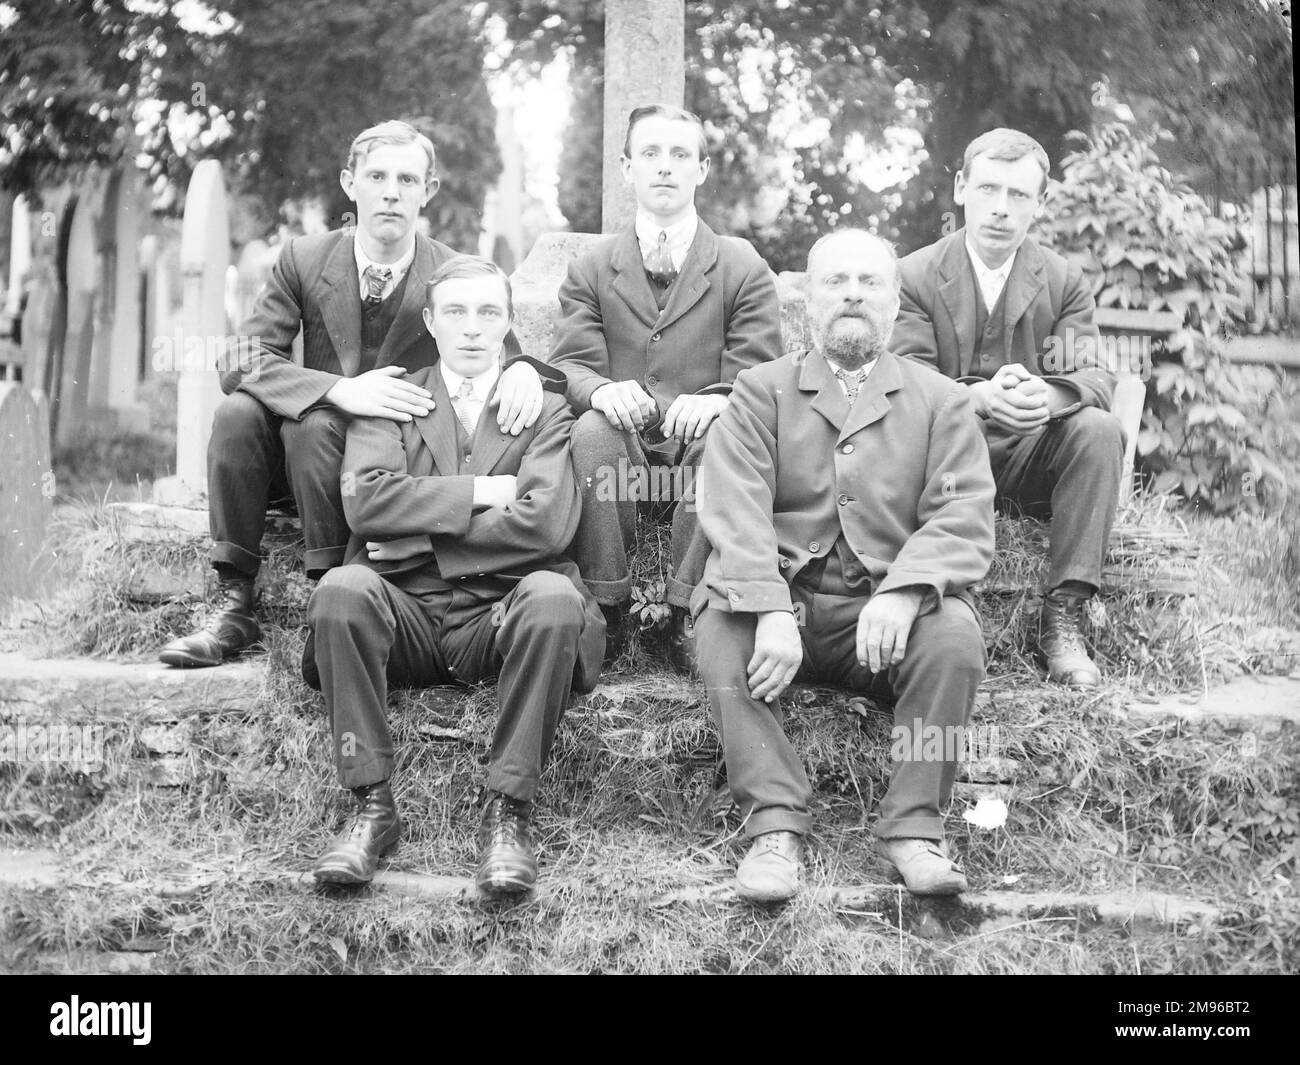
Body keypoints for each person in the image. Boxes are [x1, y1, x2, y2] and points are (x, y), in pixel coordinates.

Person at [159, 120, 562, 669]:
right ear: (351, 184)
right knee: (243, 413)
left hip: (397, 466)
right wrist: (339, 390)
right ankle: (235, 602)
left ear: (429, 190)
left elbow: (499, 347)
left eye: (406, 179)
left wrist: (522, 372)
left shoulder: (448, 273)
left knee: (313, 426)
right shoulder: (305, 258)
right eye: (376, 176)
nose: (391, 192)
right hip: (306, 463)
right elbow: (240, 358)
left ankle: (332, 597)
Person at [692, 229, 995, 902]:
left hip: (881, 620)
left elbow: (963, 513)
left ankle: (914, 827)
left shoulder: (942, 399)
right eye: (835, 281)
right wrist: (768, 604)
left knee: (955, 638)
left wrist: (906, 591)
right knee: (718, 632)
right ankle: (774, 828)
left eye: (870, 283)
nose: (853, 294)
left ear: (894, 303)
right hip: (785, 610)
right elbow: (734, 507)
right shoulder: (759, 391)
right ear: (805, 299)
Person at [305, 255, 604, 895]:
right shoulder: (392, 400)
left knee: (553, 595)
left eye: (488, 313)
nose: (473, 328)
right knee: (342, 588)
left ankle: (508, 812)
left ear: (508, 325)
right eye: (457, 313)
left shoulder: (547, 410)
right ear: (431, 322)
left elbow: (545, 525)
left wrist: (419, 540)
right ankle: (370, 806)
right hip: (405, 616)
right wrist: (485, 490)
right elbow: (368, 503)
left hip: (496, 620)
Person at [548, 103, 783, 672]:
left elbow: (760, 374)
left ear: (701, 171)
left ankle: (686, 608)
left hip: (696, 455)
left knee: (727, 434)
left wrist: (718, 398)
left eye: (681, 155)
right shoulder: (592, 267)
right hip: (624, 456)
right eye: (650, 154)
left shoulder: (741, 265)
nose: (665, 168)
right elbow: (569, 366)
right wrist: (600, 390)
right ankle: (607, 602)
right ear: (627, 168)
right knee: (592, 428)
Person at [891, 128, 1123, 688]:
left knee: (1098, 430)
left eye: (1019, 195)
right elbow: (904, 375)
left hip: (1024, 457)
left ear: (1040, 203)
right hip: (938, 462)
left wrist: (1049, 398)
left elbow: (1092, 372)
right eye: (988, 189)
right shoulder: (914, 274)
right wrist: (975, 396)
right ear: (960, 187)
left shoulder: (1064, 280)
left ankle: (1064, 615)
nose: (1000, 208)